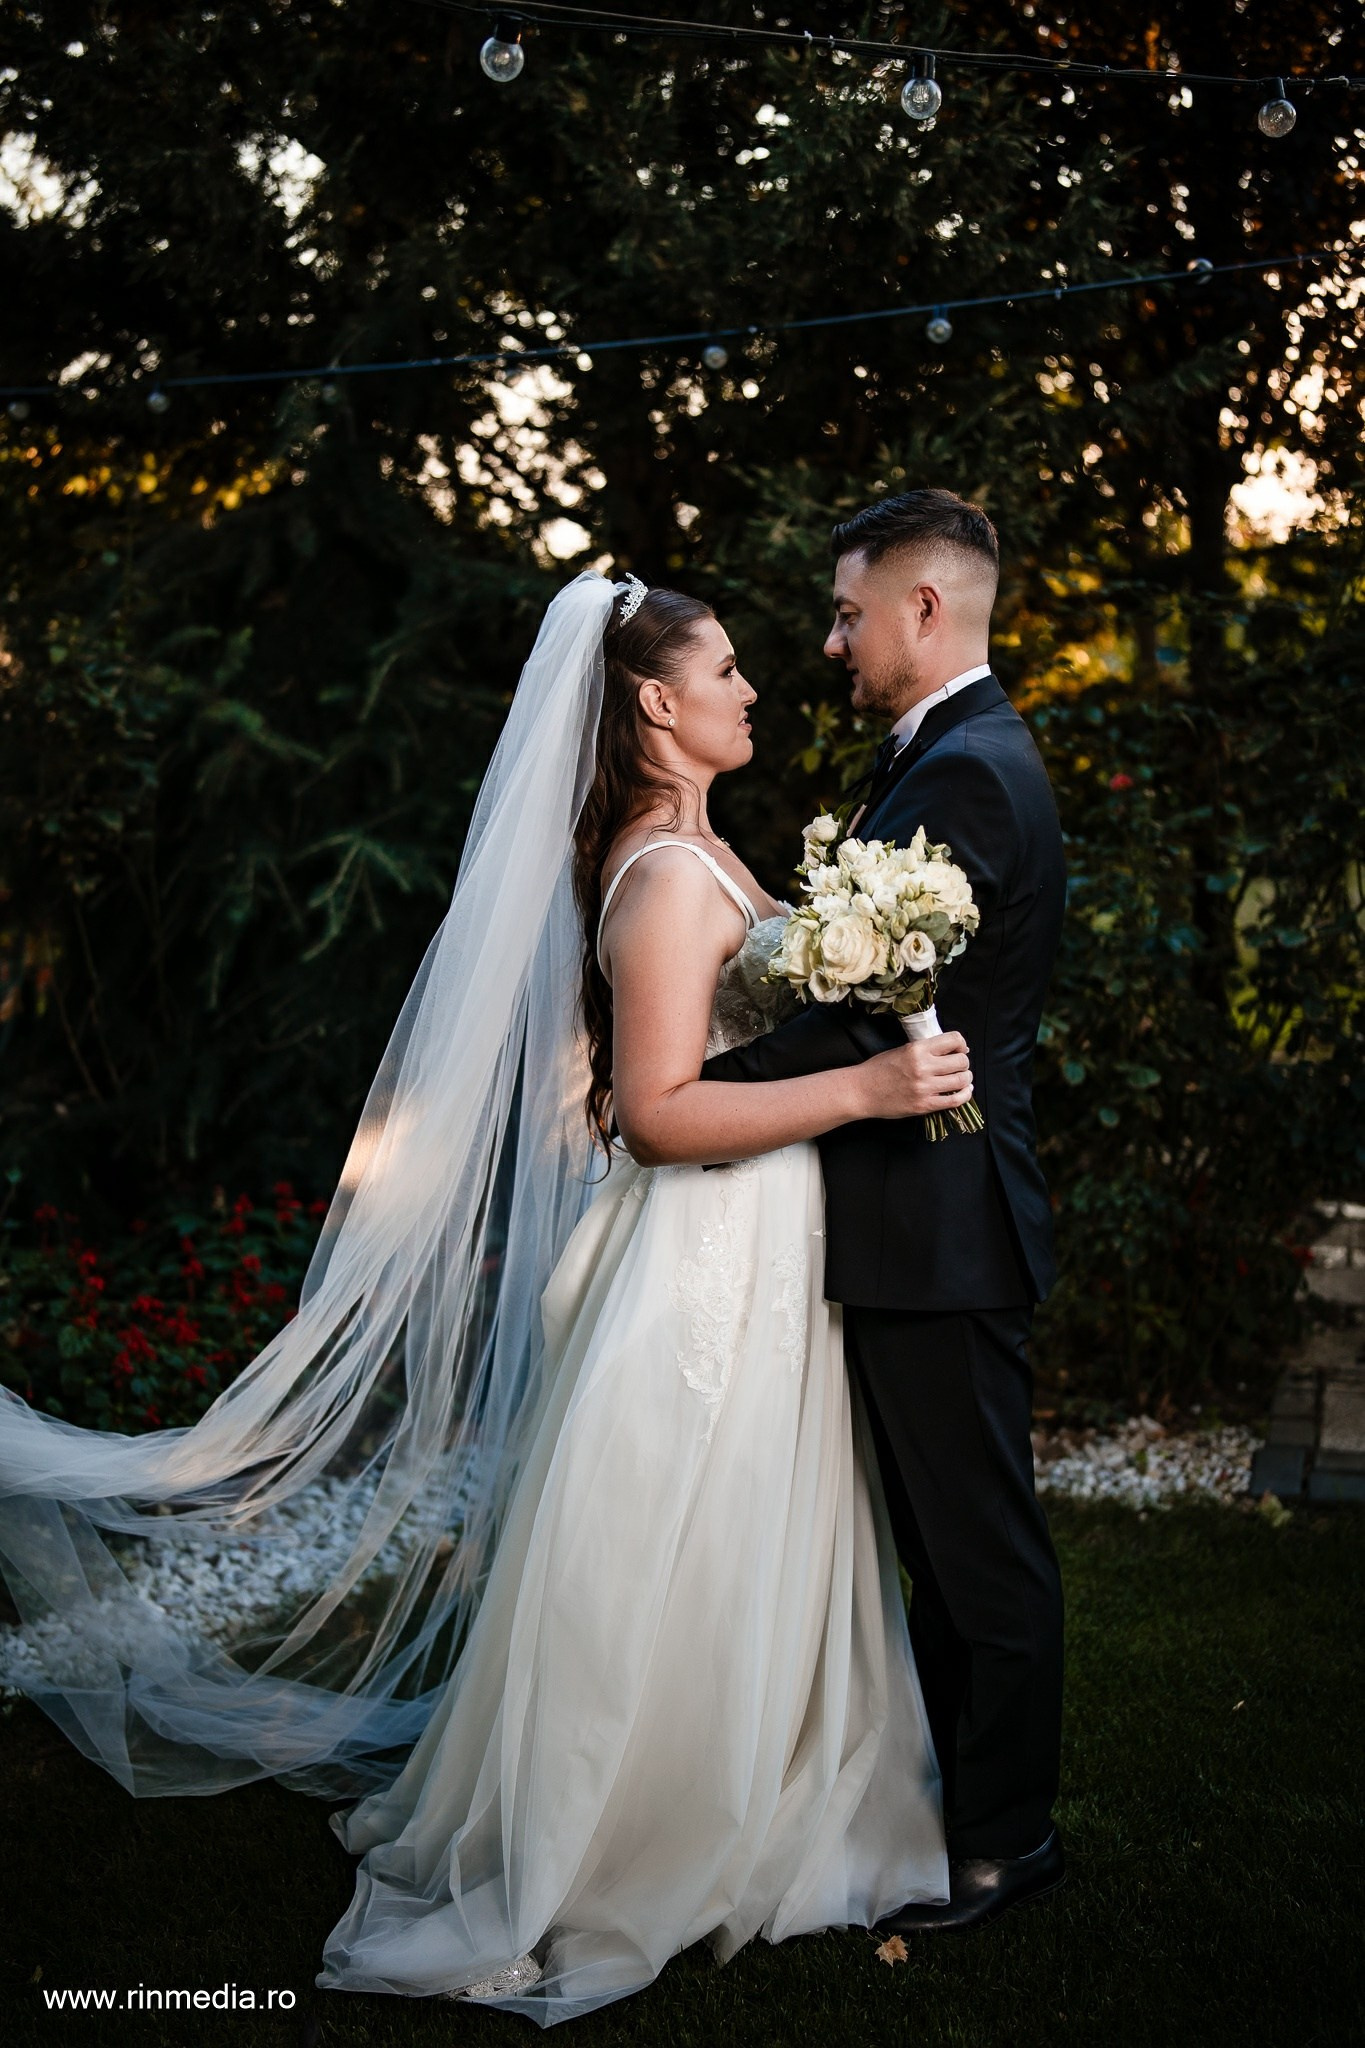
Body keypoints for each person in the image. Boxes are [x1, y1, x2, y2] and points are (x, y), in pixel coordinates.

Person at [0, 567, 974, 2025]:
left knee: (747, 1533)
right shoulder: (662, 878)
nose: (754, 688)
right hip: (700, 1264)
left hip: (761, 1250)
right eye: (725, 671)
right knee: (678, 1546)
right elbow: (655, 1111)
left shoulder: (700, 851)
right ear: (658, 705)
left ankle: (759, 1788)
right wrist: (868, 1089)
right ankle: (633, 1833)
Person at [703, 488, 1069, 1934]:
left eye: (849, 611)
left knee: (979, 1550)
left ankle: (1006, 1840)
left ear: (925, 608)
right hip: (918, 1213)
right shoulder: (941, 755)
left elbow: (865, 1015)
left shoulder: (968, 772)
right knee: (936, 1541)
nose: (832, 639)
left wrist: (689, 1086)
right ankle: (948, 1803)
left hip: (944, 1219)